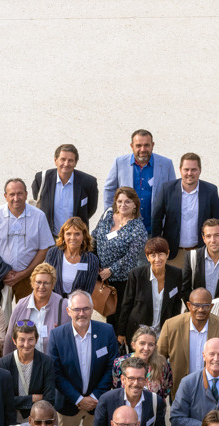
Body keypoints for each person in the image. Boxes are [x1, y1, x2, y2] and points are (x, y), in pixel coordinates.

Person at [50, 289, 119, 426]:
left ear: (92, 309)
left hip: (97, 404)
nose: (82, 313)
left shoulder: (107, 331)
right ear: (68, 311)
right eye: (77, 309)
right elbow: (56, 372)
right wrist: (78, 399)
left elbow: (112, 367)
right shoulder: (57, 335)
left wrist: (95, 397)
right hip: (68, 405)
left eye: (86, 309)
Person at [0, 178, 52, 302]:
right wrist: (2, 271)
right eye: (12, 194)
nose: (16, 198)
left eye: (20, 193)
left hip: (28, 278)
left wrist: (25, 273)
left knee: (28, 313)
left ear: (26, 194)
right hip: (0, 278)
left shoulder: (39, 216)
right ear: (5, 196)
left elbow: (44, 249)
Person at [156, 288, 219, 387]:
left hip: (214, 388)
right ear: (189, 305)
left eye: (205, 306)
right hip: (179, 388)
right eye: (196, 305)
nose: (200, 310)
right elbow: (159, 358)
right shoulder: (171, 326)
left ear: (211, 306)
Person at [151, 153, 219, 268]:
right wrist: (157, 248)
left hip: (201, 252)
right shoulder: (167, 189)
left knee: (199, 280)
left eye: (194, 169)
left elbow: (216, 221)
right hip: (173, 253)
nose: (189, 173)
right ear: (180, 170)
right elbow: (156, 219)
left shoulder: (211, 191)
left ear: (200, 170)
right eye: (186, 169)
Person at [92, 187, 148, 328]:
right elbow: (94, 235)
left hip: (121, 280)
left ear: (135, 204)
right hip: (100, 274)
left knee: (117, 316)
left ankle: (119, 340)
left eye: (128, 201)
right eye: (120, 201)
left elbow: (131, 256)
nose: (123, 205)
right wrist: (95, 264)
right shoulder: (108, 214)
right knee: (104, 311)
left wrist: (111, 270)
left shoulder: (138, 228)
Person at [102, 129, 176, 232]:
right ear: (132, 146)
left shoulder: (166, 164)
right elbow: (109, 189)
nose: (143, 149)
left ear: (152, 145)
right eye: (138, 145)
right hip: (125, 229)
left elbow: (172, 193)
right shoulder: (119, 163)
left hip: (155, 228)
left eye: (146, 145)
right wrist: (112, 215)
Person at [118, 237, 185, 344]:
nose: (157, 259)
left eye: (161, 254)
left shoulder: (176, 274)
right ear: (147, 257)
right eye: (153, 255)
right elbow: (126, 304)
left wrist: (173, 328)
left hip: (163, 333)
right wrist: (121, 332)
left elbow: (177, 303)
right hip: (139, 332)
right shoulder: (136, 275)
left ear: (167, 254)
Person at [92, 356, 167, 426]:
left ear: (146, 381)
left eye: (140, 379)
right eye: (131, 378)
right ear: (123, 379)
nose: (135, 383)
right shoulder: (107, 400)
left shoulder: (155, 401)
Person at [32, 143, 99, 236]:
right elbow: (39, 202)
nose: (66, 164)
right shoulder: (42, 179)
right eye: (63, 159)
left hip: (75, 239)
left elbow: (91, 209)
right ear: (55, 160)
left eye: (70, 160)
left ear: (75, 163)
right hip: (49, 238)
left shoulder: (88, 182)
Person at [5, 263, 69, 356]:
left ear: (53, 285)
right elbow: (10, 338)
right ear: (32, 283)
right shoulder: (21, 305)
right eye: (38, 282)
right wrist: (7, 363)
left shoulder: (63, 305)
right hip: (26, 362)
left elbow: (69, 340)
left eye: (46, 283)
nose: (42, 286)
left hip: (52, 363)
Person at [0, 323, 56, 419]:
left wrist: (18, 400)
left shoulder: (46, 362)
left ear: (36, 339)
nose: (26, 345)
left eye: (31, 339)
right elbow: (4, 399)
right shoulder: (5, 363)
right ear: (14, 340)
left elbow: (49, 398)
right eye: (22, 340)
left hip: (38, 418)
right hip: (12, 418)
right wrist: (33, 398)